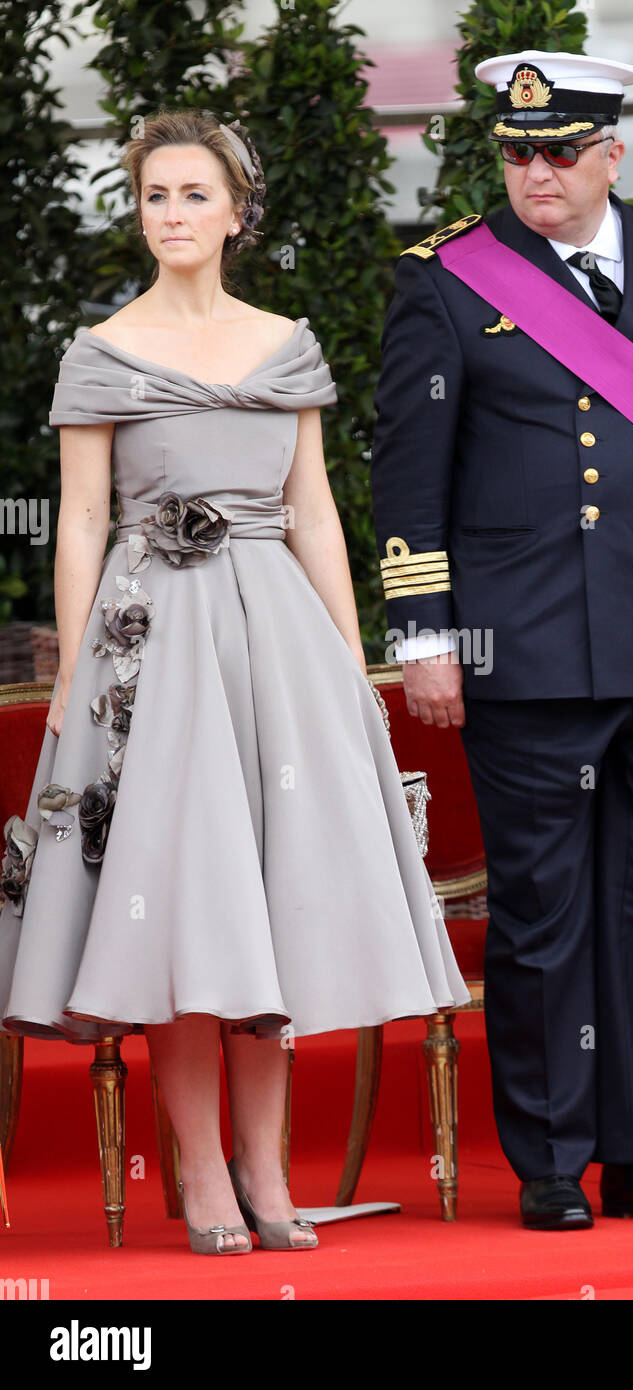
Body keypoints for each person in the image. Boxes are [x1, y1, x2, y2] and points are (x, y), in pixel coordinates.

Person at [0, 109, 470, 1254]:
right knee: (183, 912)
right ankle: (203, 1178)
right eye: (155, 196)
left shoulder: (287, 342)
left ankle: (269, 1176)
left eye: (193, 195)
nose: (171, 215)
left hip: (280, 647)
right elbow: (82, 525)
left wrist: (351, 661)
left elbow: (313, 510)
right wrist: (74, 674)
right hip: (151, 646)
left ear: (237, 213)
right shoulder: (101, 348)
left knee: (272, 910)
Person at [370, 51, 633, 1230]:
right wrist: (424, 631)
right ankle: (554, 1161)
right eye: (518, 153)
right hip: (526, 645)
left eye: (561, 151)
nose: (538, 173)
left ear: (614, 152)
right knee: (547, 907)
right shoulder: (448, 279)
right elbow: (407, 478)